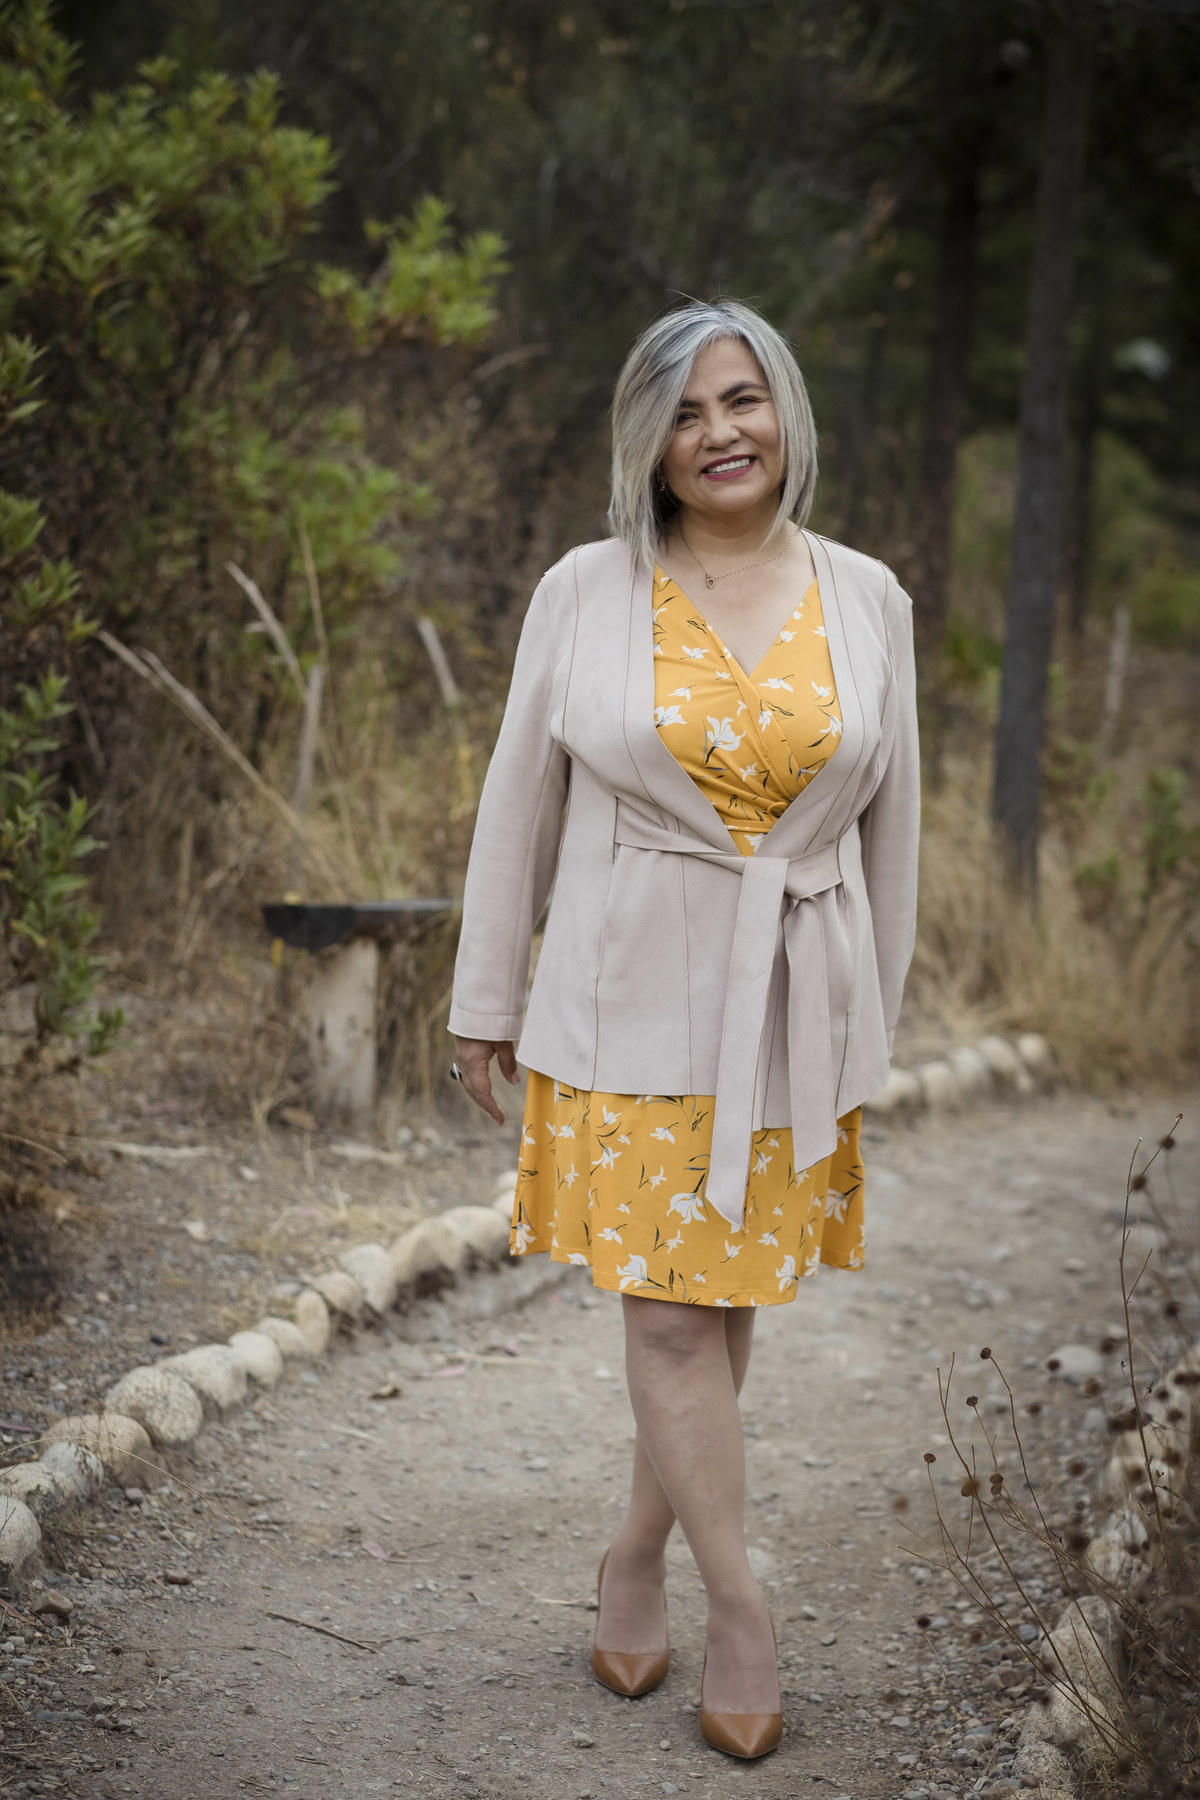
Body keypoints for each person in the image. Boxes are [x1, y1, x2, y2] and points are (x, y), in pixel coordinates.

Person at [448, 298, 919, 1761]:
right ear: (646, 443)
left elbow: (898, 833)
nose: (721, 434)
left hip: (792, 1003)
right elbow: (517, 802)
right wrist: (487, 995)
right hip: (623, 991)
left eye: (744, 401)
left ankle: (634, 1556)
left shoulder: (868, 596)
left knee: (720, 1299)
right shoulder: (584, 589)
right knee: (664, 1305)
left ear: (787, 414)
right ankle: (741, 1599)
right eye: (688, 411)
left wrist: (869, 1027)